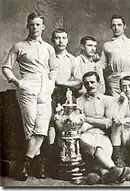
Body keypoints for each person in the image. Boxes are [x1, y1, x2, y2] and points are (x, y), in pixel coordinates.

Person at [1, 12, 58, 181]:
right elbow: (6, 67)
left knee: (42, 126)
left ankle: (25, 165)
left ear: (43, 27)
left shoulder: (49, 47)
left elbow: (54, 68)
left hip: (45, 89)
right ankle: (36, 164)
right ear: (27, 26)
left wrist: (51, 83)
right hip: (27, 87)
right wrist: (18, 82)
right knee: (31, 127)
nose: (34, 28)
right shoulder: (19, 46)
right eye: (32, 24)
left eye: (38, 24)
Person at [77, 71, 130, 184]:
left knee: (102, 150)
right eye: (86, 83)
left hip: (103, 134)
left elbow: (109, 122)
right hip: (86, 135)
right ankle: (114, 169)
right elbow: (79, 124)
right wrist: (99, 122)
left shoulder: (107, 100)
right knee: (97, 149)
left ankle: (105, 174)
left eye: (92, 82)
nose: (90, 85)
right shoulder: (79, 101)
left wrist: (87, 119)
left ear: (99, 83)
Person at [47, 28, 81, 160]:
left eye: (64, 38)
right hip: (50, 94)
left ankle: (66, 156)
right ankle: (50, 158)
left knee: (66, 125)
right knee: (50, 124)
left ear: (67, 40)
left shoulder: (73, 60)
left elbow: (78, 82)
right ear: (52, 40)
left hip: (67, 96)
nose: (61, 41)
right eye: (57, 38)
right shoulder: (47, 57)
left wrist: (60, 82)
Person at [98, 15, 130, 97]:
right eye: (113, 25)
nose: (116, 28)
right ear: (111, 27)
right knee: (117, 106)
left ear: (124, 26)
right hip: (114, 82)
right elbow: (102, 64)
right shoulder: (107, 45)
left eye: (119, 25)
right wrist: (94, 61)